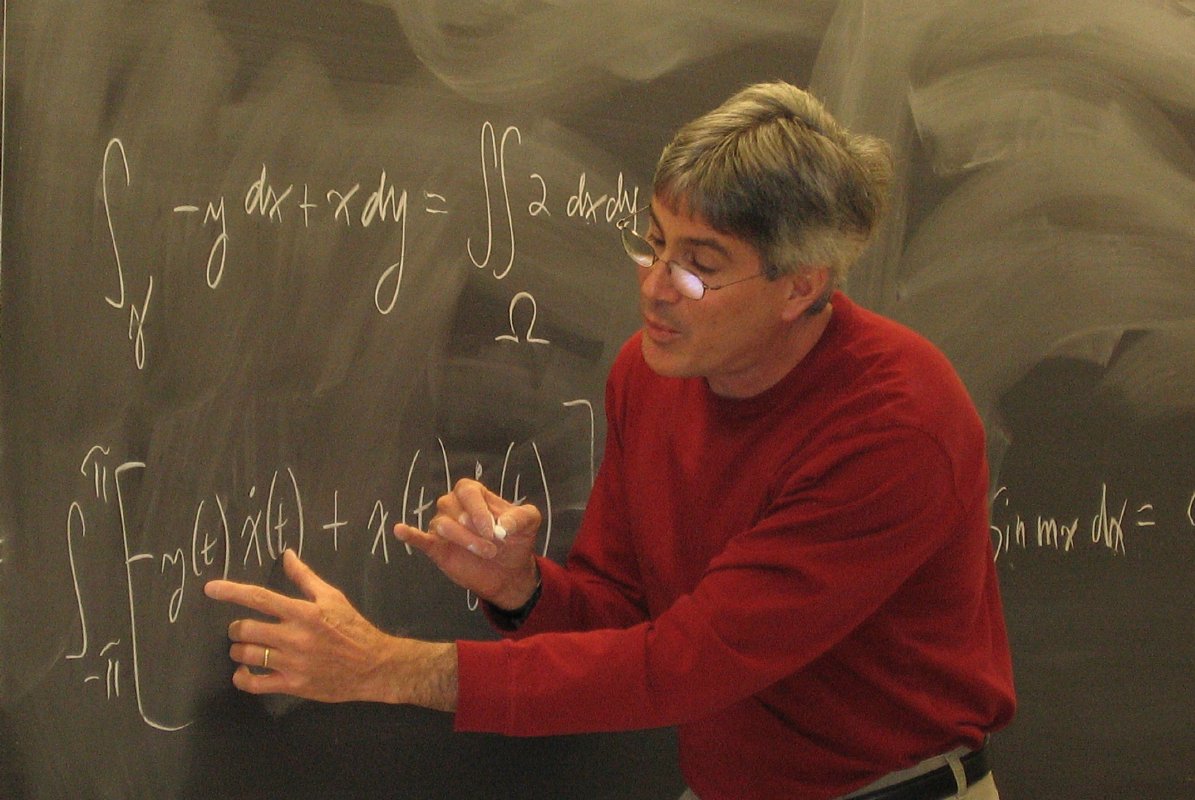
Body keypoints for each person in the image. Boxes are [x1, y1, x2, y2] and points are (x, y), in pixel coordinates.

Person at [205, 81, 1015, 799]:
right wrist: (523, 589)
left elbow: (684, 665)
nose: (655, 286)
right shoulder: (651, 373)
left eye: (699, 265)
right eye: (653, 242)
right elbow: (620, 614)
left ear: (799, 286)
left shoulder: (893, 423)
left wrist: (389, 667)